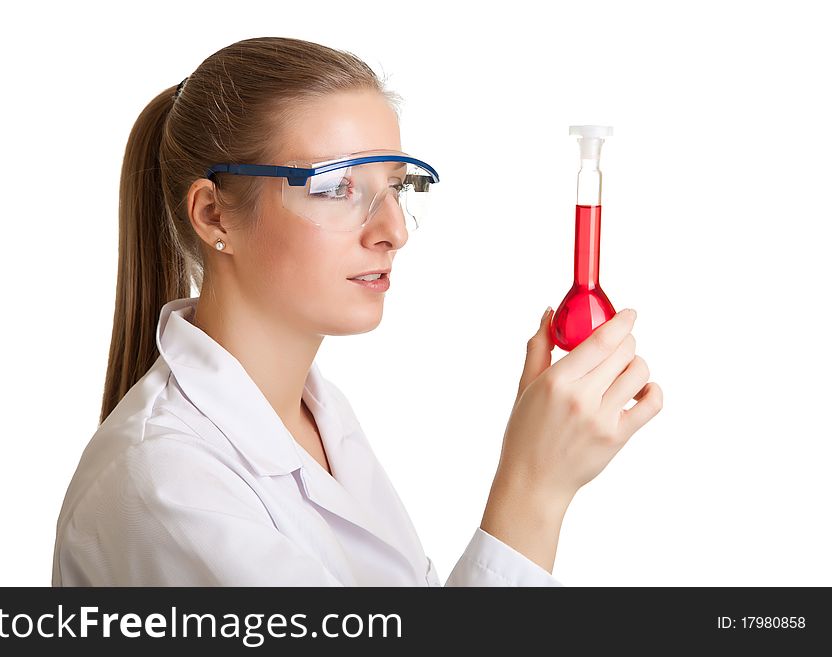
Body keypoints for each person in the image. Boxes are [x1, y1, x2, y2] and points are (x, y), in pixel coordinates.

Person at [51, 36, 663, 586]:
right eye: (336, 186)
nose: (393, 230)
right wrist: (534, 489)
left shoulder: (318, 418)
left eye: (397, 186)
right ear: (215, 215)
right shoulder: (167, 481)